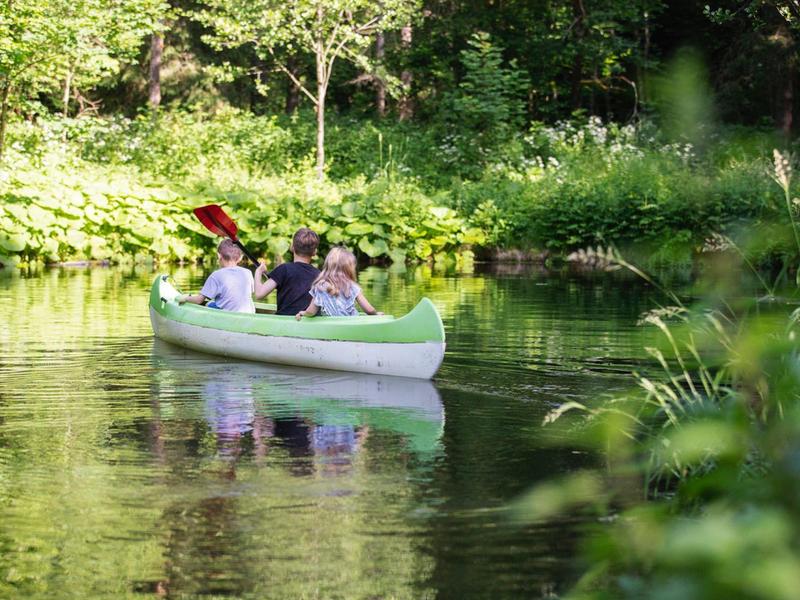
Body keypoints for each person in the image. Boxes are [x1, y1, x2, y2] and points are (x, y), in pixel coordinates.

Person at [295, 246, 382, 319]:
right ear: (349, 268)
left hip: (331, 325)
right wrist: (376, 315)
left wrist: (304, 313)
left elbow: (311, 312)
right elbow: (369, 310)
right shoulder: (351, 286)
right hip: (352, 322)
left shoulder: (320, 286)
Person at [254, 228, 320, 316]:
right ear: (314, 252)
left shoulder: (284, 269)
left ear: (292, 247)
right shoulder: (320, 275)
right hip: (308, 326)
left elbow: (259, 294)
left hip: (285, 323)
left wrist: (258, 272)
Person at [177, 239, 255, 313]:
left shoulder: (216, 275)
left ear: (219, 256)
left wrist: (185, 298)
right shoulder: (247, 272)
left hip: (229, 316)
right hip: (249, 313)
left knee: (209, 304)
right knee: (213, 303)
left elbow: (199, 300)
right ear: (240, 258)